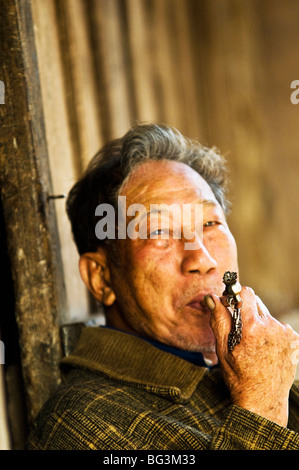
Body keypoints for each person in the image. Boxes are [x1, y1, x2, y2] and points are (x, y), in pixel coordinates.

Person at [27, 123, 299, 450]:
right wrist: (262, 402)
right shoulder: (80, 421)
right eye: (159, 233)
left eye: (210, 223)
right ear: (101, 277)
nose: (202, 258)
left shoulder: (241, 368)